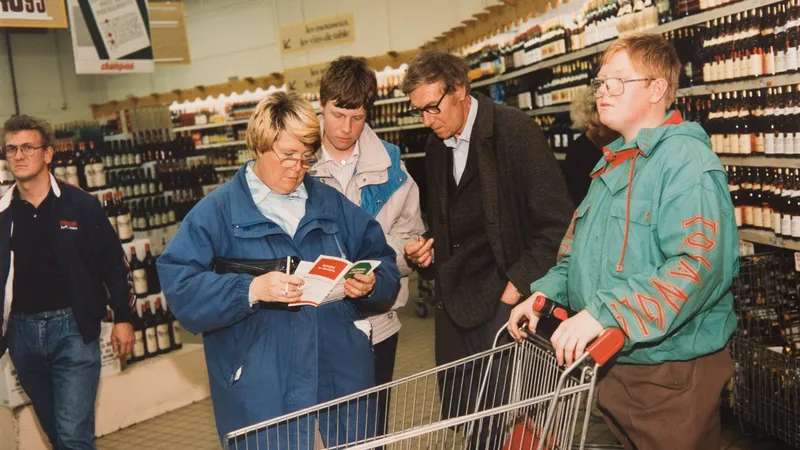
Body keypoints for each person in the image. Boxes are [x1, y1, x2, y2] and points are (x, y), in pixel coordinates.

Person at [508, 34, 738, 450]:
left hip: (671, 374)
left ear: (657, 89)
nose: (602, 92)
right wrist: (540, 295)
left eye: (616, 81)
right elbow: (577, 254)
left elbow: (698, 266)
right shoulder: (614, 161)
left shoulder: (686, 162)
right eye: (600, 82)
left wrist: (604, 314)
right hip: (618, 364)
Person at [157, 91, 401, 448]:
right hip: (263, 395)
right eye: (287, 155)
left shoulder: (330, 204)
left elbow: (383, 261)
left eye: (306, 157)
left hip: (341, 383)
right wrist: (250, 290)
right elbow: (181, 286)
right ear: (258, 145)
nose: (297, 167)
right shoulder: (218, 213)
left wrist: (370, 283)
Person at [401, 49, 573, 448]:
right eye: (419, 112)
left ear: (459, 88)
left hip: (505, 306)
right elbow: (450, 223)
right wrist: (430, 251)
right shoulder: (435, 146)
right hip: (457, 305)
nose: (427, 120)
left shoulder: (515, 133)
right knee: (474, 422)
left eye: (432, 107)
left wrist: (518, 281)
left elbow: (559, 222)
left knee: (512, 420)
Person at [0, 115, 135, 449]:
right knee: (58, 434)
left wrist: (124, 317)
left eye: (28, 147)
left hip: (73, 330)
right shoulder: (2, 213)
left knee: (74, 435)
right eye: (11, 149)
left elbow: (114, 265)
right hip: (21, 334)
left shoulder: (82, 206)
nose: (19, 155)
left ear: (48, 154)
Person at [309, 56, 425, 437]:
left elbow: (410, 234)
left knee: (371, 432)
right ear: (321, 105)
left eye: (356, 117)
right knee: (331, 431)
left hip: (377, 323)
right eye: (337, 115)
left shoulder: (391, 166)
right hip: (316, 322)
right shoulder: (299, 164)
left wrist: (373, 266)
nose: (346, 128)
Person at [562, 86, 619, 205]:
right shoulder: (577, 153)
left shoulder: (623, 141)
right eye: (595, 125)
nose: (602, 132)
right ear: (585, 121)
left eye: (605, 124)